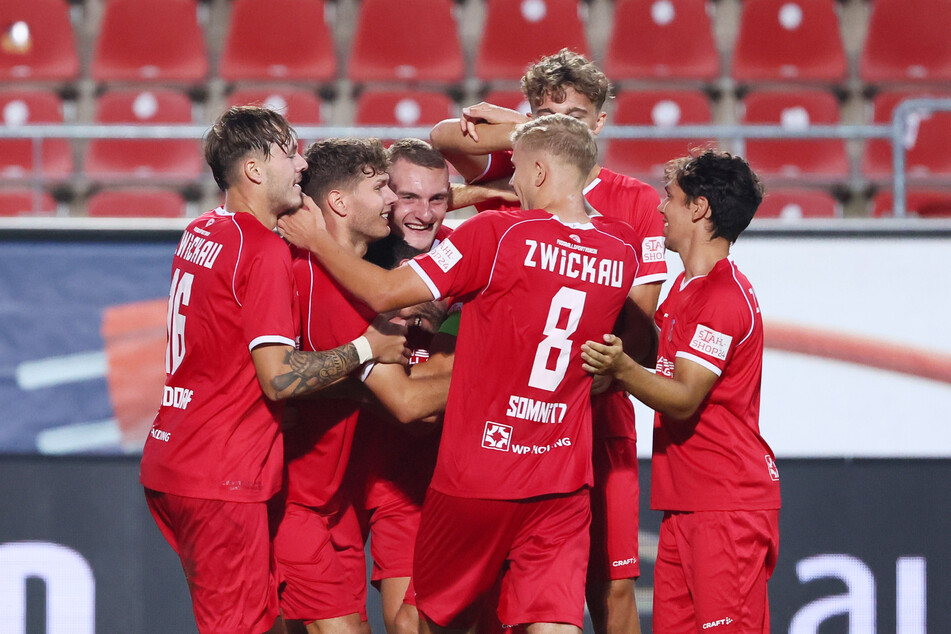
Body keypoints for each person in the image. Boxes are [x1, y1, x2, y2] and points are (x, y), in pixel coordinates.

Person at [279, 114, 642, 634]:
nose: (510, 184)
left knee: (417, 622)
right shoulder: (622, 246)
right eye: (398, 194)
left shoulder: (490, 239)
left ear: (537, 173)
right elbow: (628, 327)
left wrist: (318, 241)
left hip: (478, 473)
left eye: (516, 171)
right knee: (553, 621)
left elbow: (384, 294)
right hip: (560, 476)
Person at [139, 106, 408, 634]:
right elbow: (279, 377)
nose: (303, 165)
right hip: (223, 473)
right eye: (290, 153)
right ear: (255, 171)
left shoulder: (201, 231)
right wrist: (364, 348)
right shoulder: (261, 250)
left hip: (174, 457)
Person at [430, 49, 666, 634]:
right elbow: (439, 138)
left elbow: (642, 317)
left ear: (602, 121)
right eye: (545, 110)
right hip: (506, 423)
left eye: (577, 113)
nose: (560, 121)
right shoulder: (521, 171)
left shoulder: (635, 201)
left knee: (610, 590)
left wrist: (600, 371)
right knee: (492, 596)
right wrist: (528, 132)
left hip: (594, 419)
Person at [581, 149, 781, 634]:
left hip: (725, 507)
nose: (659, 210)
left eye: (669, 198)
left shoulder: (721, 297)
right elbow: (663, 370)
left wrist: (621, 367)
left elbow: (686, 395)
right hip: (686, 502)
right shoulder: (684, 288)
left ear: (699, 209)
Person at [277, 137, 450, 634]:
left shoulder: (365, 274)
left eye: (434, 198)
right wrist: (507, 378)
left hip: (340, 500)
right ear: (339, 202)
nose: (396, 202)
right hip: (297, 500)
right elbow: (407, 404)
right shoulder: (312, 281)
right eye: (383, 189)